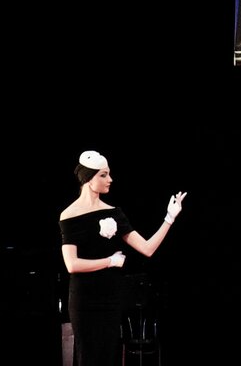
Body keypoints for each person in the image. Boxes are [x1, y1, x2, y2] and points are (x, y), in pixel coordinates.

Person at [59, 150, 187, 366]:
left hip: (110, 297)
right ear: (88, 179)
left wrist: (169, 218)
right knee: (88, 355)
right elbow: (72, 264)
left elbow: (147, 248)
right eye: (103, 175)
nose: (110, 179)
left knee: (108, 355)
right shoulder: (69, 215)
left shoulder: (114, 213)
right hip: (84, 299)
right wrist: (110, 261)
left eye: (109, 174)